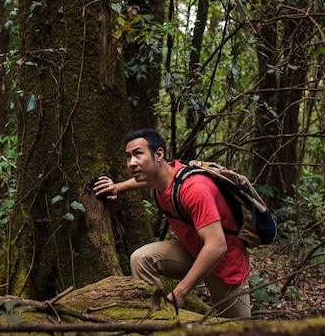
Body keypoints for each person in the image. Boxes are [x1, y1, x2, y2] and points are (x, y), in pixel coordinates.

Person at [94, 128, 251, 318]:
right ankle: (159, 319)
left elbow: (217, 246)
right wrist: (117, 187)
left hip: (224, 264)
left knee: (240, 333)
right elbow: (146, 180)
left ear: (159, 154)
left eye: (138, 154)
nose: (131, 163)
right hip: (193, 251)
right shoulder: (162, 176)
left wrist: (179, 292)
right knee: (141, 259)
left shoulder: (195, 188)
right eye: (128, 157)